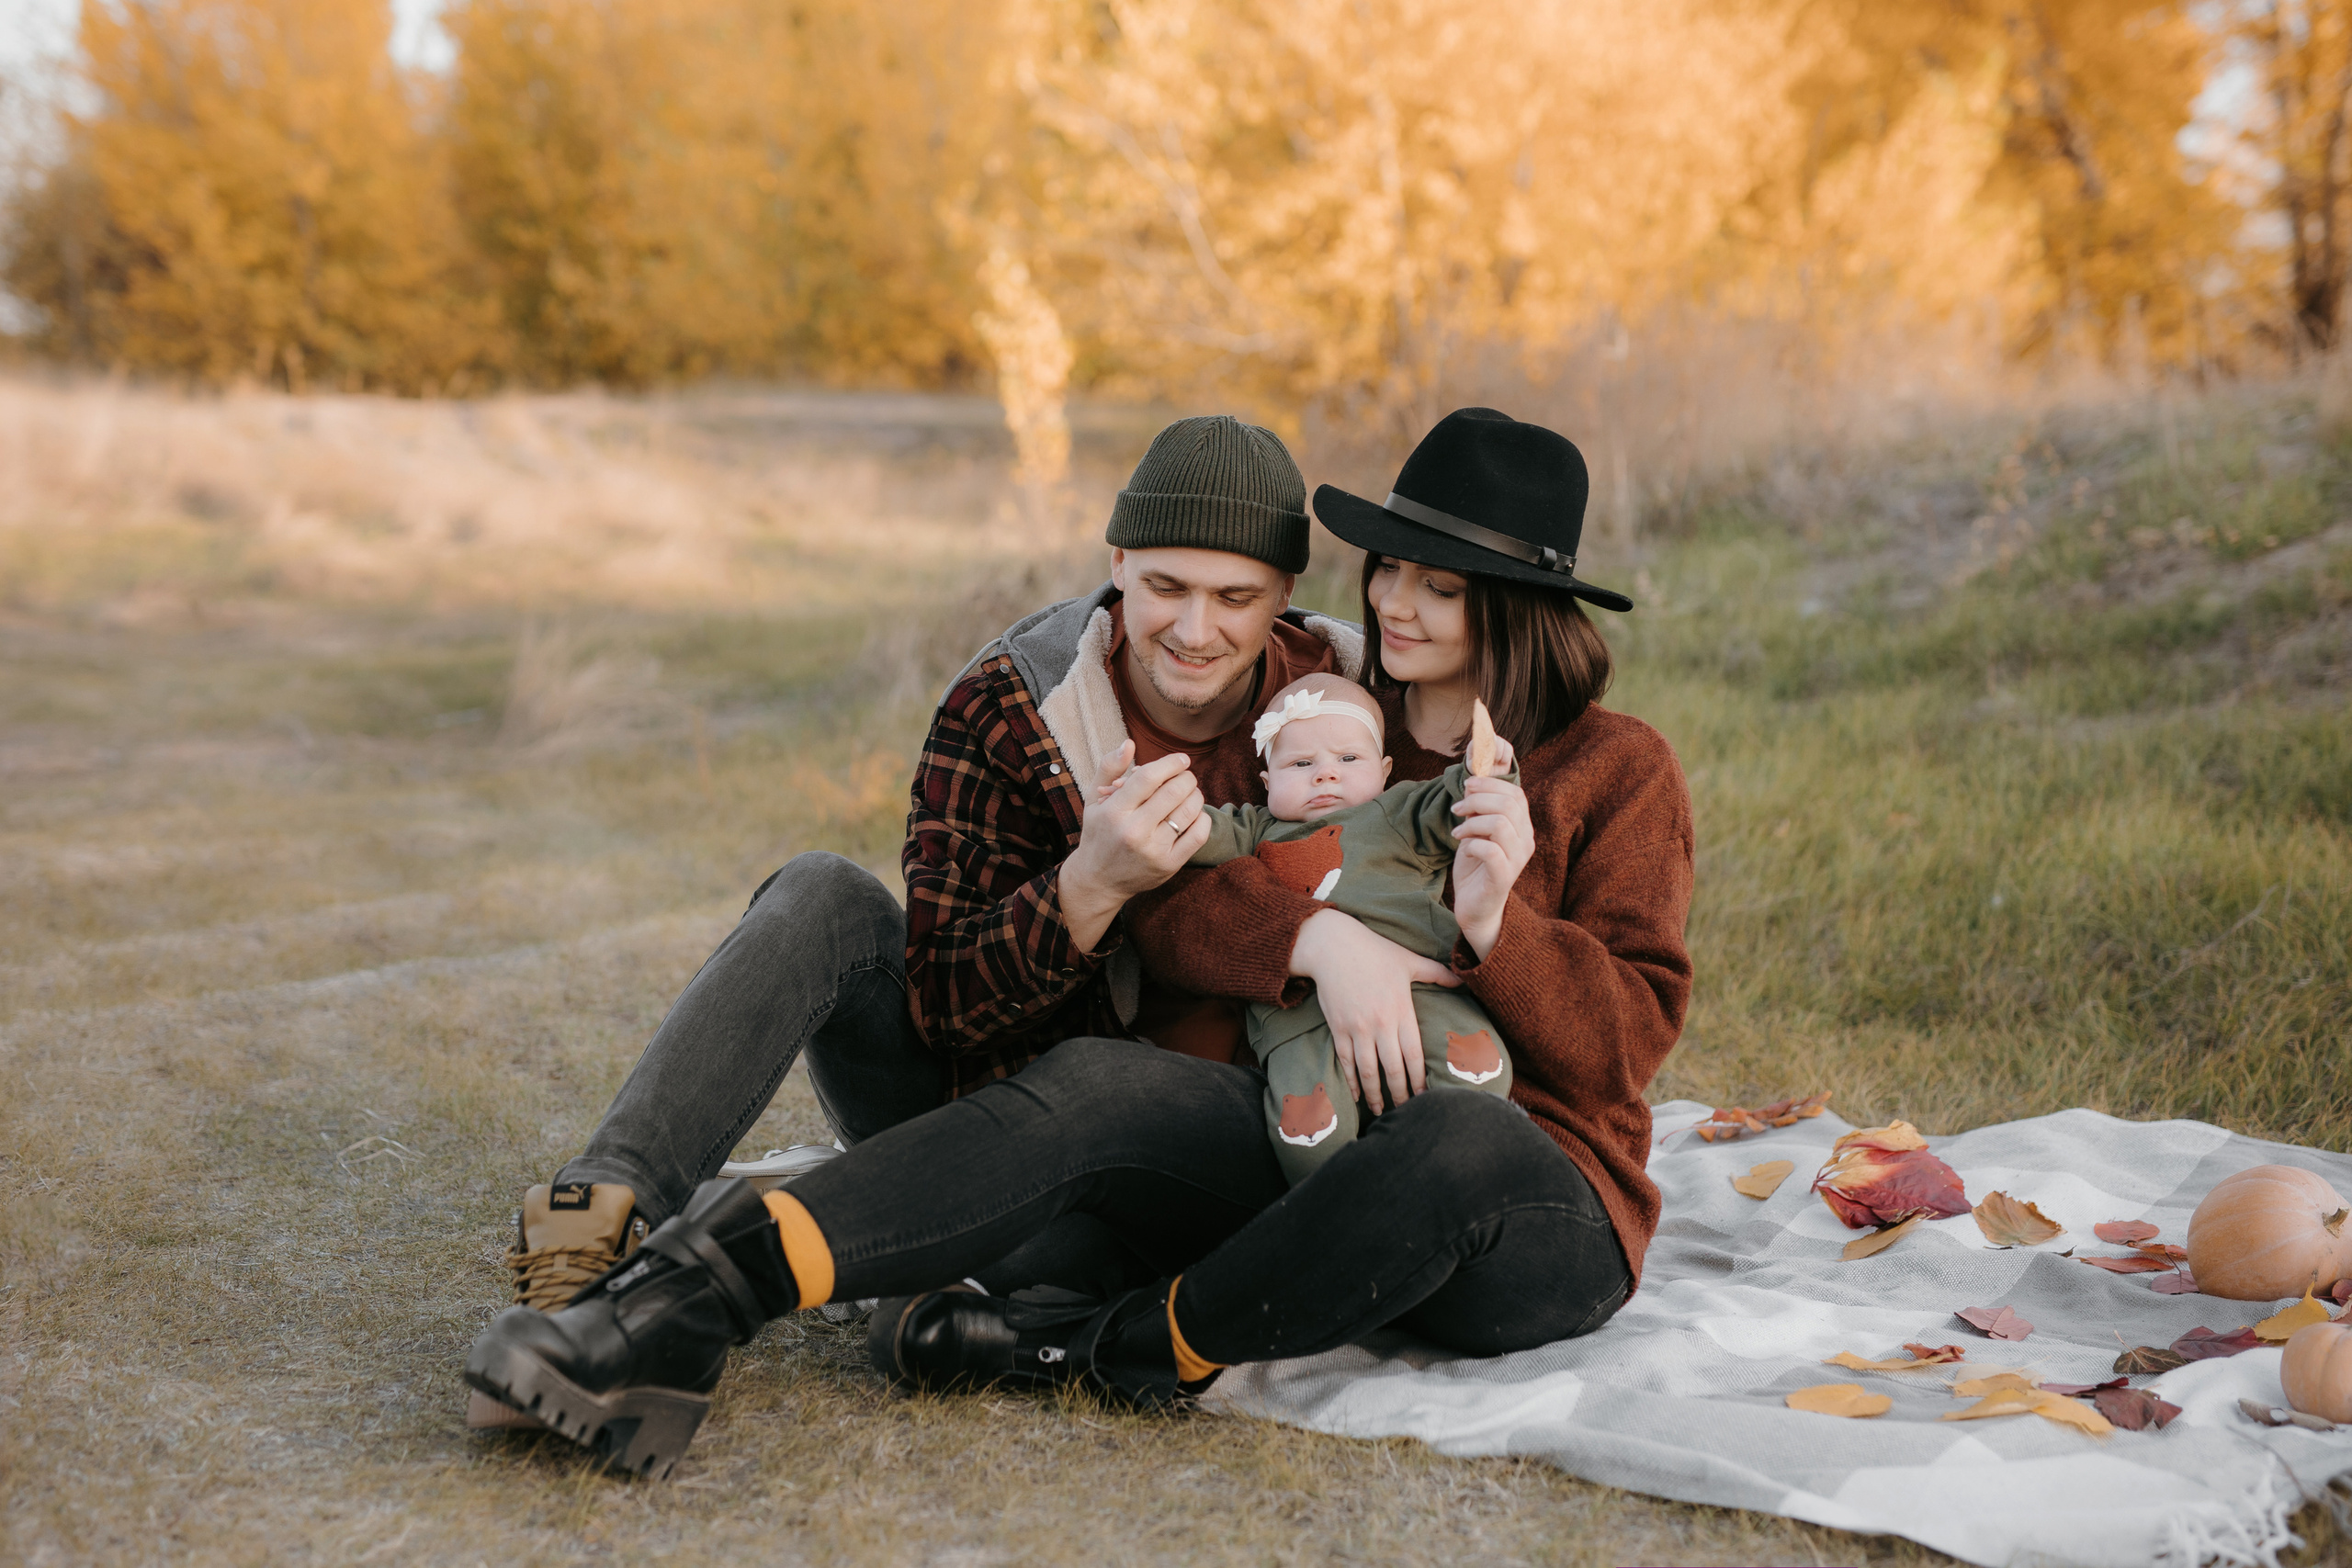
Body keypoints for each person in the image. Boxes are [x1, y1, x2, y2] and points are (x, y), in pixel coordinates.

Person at [460, 406, 1696, 1483]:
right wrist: (1308, 935)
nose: (1398, 601)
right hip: (1250, 1132)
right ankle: (673, 1295)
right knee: (1067, 1055)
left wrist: (1493, 923)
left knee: (1452, 1136)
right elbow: (1183, 902)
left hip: (1512, 1178)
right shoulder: (1318, 727)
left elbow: (1627, 1040)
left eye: (1443, 584)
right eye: (1392, 570)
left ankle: (1107, 1340)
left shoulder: (1598, 762)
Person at [465, 412, 1374, 1429]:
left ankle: (955, 1285)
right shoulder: (1013, 700)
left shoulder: (1352, 705)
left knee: (964, 1284)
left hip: (1192, 1144)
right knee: (820, 892)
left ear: (1286, 596)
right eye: (1165, 586)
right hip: (979, 1099)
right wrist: (1088, 888)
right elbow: (940, 1005)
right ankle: (588, 1230)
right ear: (1118, 562)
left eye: (1234, 597)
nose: (1195, 629)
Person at [1166, 671, 1519, 1185]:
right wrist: (1154, 811)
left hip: (1415, 984)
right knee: (1308, 1136)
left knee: (1480, 1077)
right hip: (1297, 1018)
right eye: (1301, 764)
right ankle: (1341, 1210)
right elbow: (1196, 832)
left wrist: (1485, 773)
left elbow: (1455, 806)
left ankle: (1431, 1185)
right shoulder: (1255, 830)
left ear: (1385, 769)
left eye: (1348, 760)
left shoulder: (1396, 811)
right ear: (1268, 783)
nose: (1325, 776)